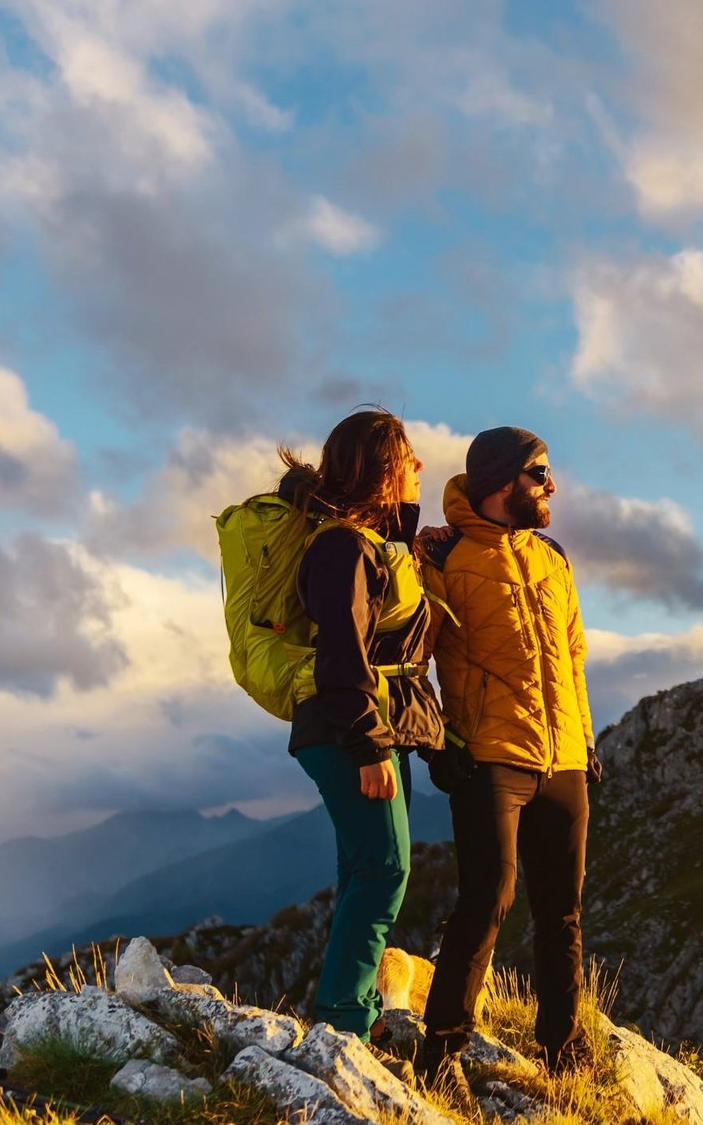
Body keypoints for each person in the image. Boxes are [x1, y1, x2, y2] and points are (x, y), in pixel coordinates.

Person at [414, 426, 599, 1086]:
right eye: (540, 472)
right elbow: (416, 656)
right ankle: (438, 1053)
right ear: (503, 480)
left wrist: (585, 737)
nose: (552, 485)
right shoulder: (444, 556)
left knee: (562, 910)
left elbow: (572, 654)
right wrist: (434, 742)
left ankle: (563, 1047)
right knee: (488, 897)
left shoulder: (553, 557)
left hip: (564, 757)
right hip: (488, 754)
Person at [278, 409, 442, 1041]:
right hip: (349, 728)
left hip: (366, 725)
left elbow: (392, 571)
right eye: (408, 458)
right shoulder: (341, 546)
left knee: (363, 866)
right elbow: (342, 654)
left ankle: (348, 1009)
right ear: (380, 468)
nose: (420, 468)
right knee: (385, 867)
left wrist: (407, 514)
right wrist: (370, 746)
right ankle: (345, 1016)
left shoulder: (366, 543)